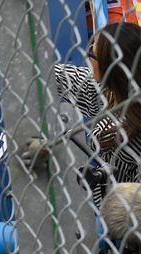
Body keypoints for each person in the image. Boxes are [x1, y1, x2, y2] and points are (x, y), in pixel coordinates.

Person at [54, 23, 141, 204]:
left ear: (112, 63)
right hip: (110, 208)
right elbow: (59, 76)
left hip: (129, 216)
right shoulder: (107, 92)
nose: (87, 58)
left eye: (92, 54)